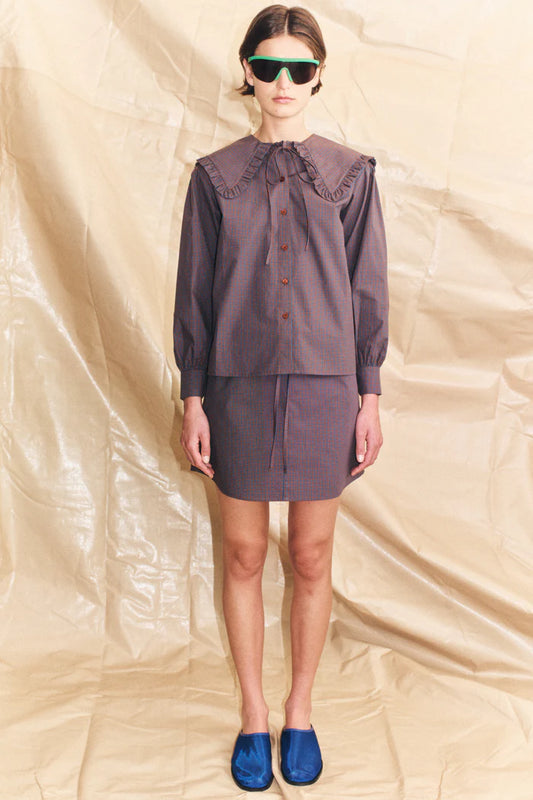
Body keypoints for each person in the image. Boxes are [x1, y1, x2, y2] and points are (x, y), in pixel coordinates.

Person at [173, 4, 388, 791]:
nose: (283, 81)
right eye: (268, 66)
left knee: (310, 554)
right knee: (242, 553)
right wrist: (192, 397)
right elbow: (194, 292)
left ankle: (300, 710)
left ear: (318, 74)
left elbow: (367, 290)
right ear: (248, 72)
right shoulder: (214, 177)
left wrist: (368, 395)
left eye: (299, 67)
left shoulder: (351, 174)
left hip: (327, 389)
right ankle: (252, 715)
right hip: (234, 387)